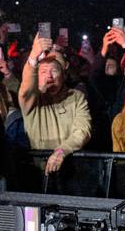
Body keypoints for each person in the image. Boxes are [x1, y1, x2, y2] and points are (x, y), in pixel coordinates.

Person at [18, 33, 92, 175]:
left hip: (71, 168)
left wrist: (62, 150)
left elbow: (82, 131)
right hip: (38, 171)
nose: (49, 76)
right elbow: (26, 89)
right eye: (43, 71)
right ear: (37, 76)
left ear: (63, 75)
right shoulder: (32, 100)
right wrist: (33, 57)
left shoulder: (76, 97)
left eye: (54, 71)